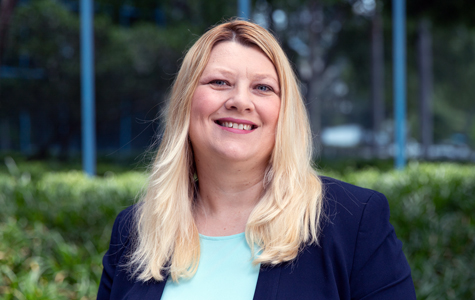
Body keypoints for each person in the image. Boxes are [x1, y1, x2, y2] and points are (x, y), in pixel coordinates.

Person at [97, 20, 416, 300]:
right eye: (219, 82)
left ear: (284, 113)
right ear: (186, 102)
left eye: (263, 88)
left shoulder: (353, 221)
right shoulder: (135, 230)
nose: (240, 101)